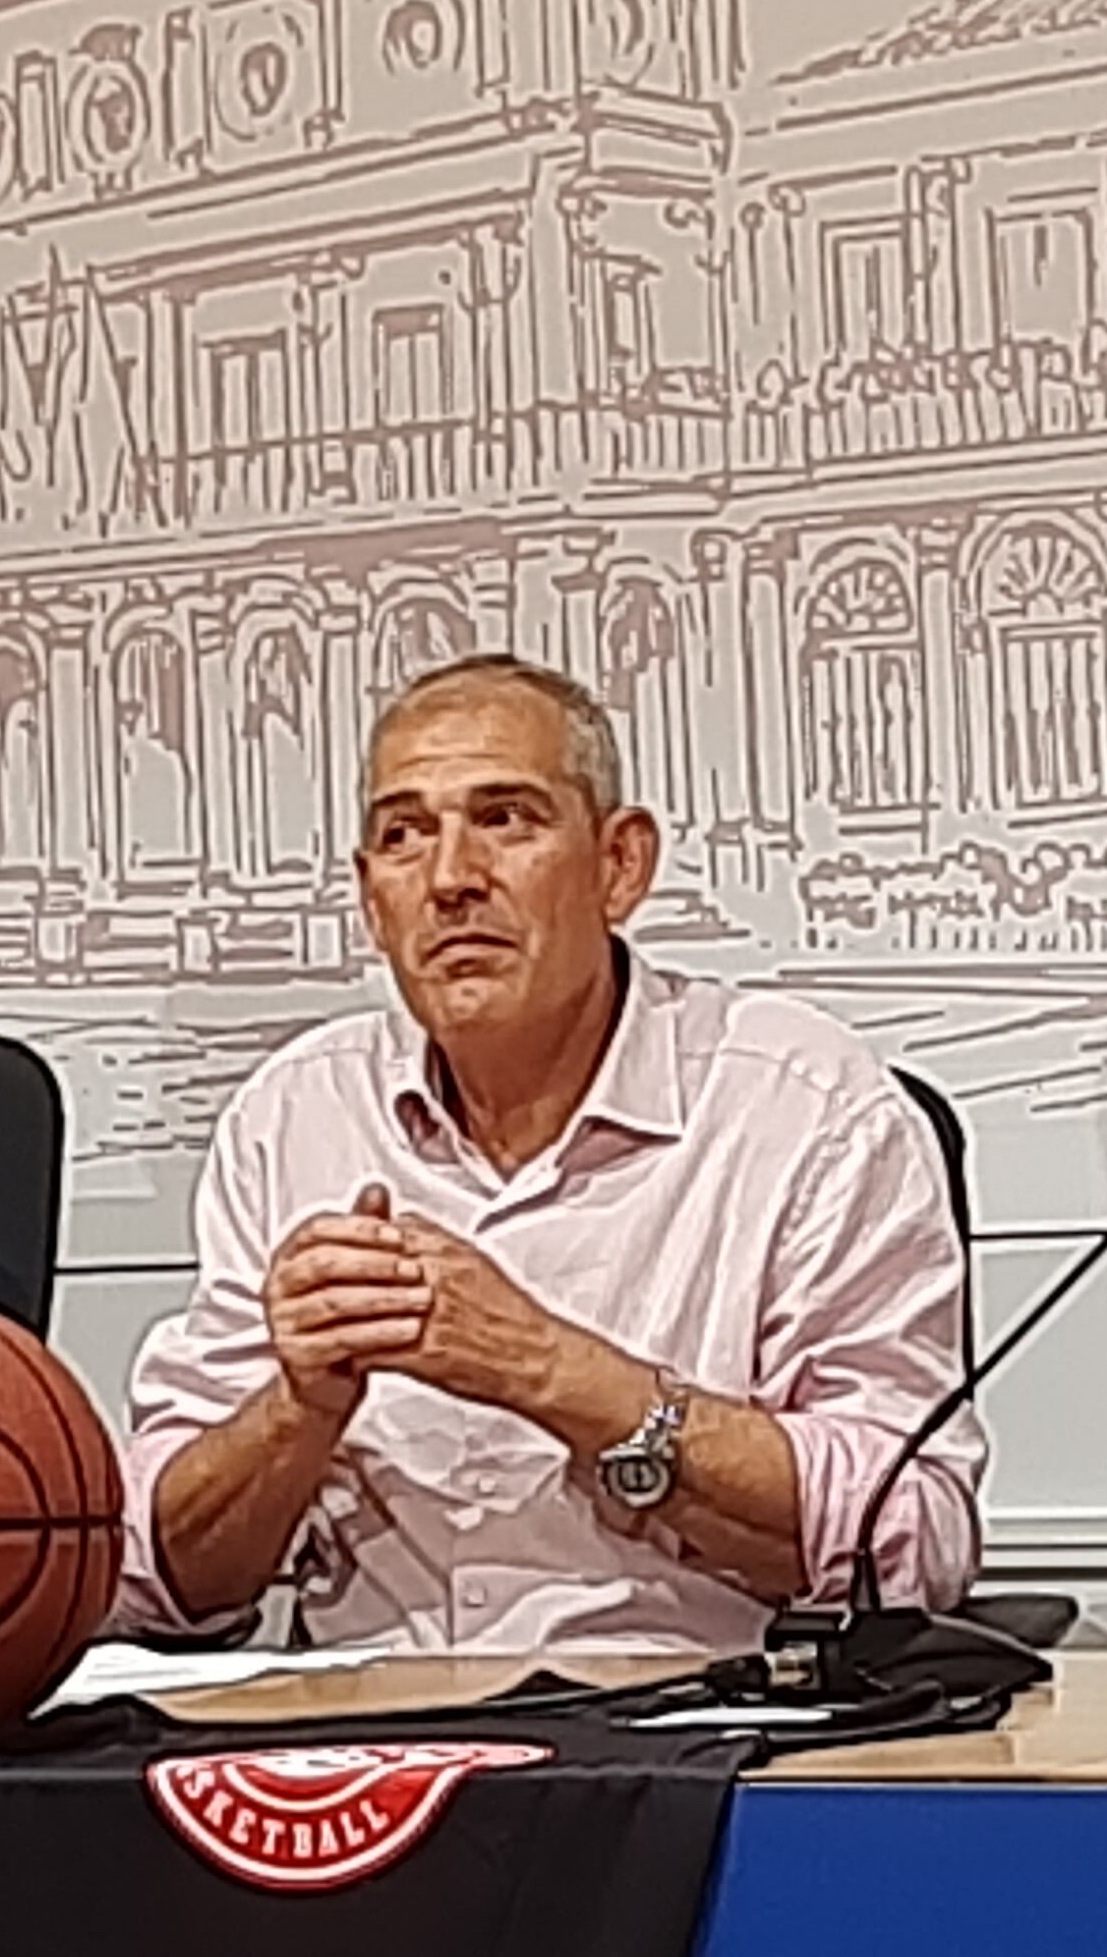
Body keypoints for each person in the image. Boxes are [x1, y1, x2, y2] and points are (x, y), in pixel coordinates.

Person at [119, 654, 979, 1652]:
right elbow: (159, 1577)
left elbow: (912, 1542)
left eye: (506, 819)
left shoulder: (806, 1106)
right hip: (357, 1757)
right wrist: (298, 1414)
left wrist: (544, 1369)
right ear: (369, 899)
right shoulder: (292, 1114)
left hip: (689, 1746)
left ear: (620, 865)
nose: (449, 880)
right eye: (404, 836)